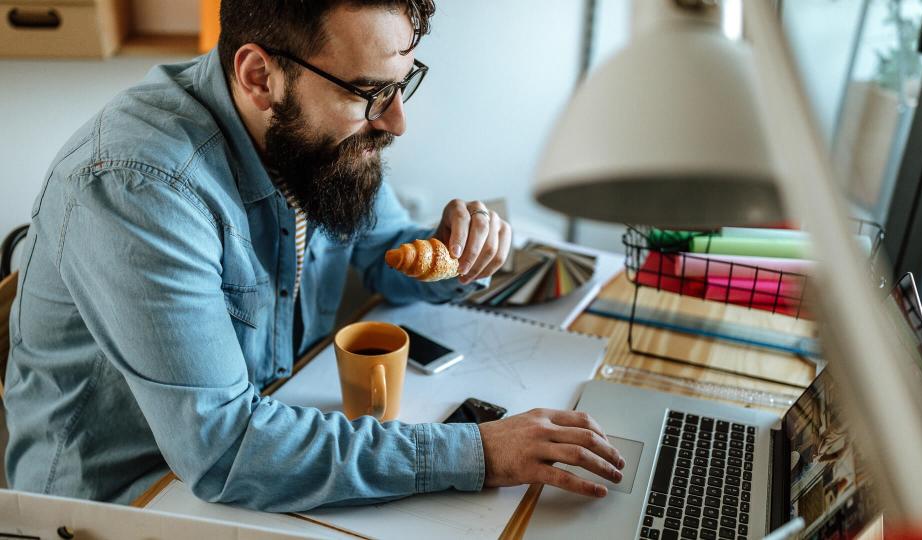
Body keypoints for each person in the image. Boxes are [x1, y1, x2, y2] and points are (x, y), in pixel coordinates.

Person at [4, 0, 624, 510]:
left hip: (276, 428)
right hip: (120, 502)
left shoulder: (319, 140)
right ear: (258, 76)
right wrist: (477, 452)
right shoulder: (138, 186)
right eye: (371, 92)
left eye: (402, 85)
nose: (397, 122)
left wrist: (458, 252)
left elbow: (389, 256)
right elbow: (226, 449)